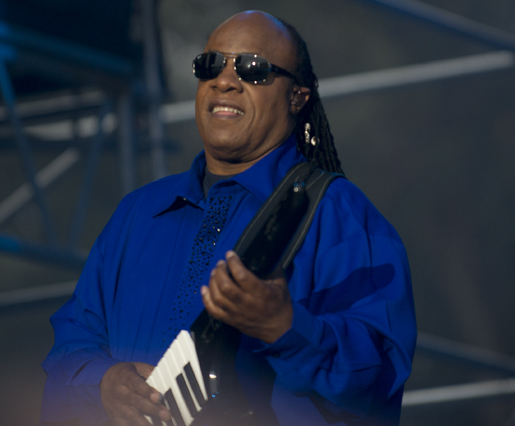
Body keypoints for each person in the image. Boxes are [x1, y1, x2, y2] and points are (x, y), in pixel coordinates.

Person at [41, 10, 416, 426]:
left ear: (297, 98)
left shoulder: (338, 213)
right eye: (210, 65)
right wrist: (102, 383)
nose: (224, 81)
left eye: (252, 68)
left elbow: (379, 376)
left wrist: (286, 327)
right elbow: (67, 351)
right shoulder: (137, 213)